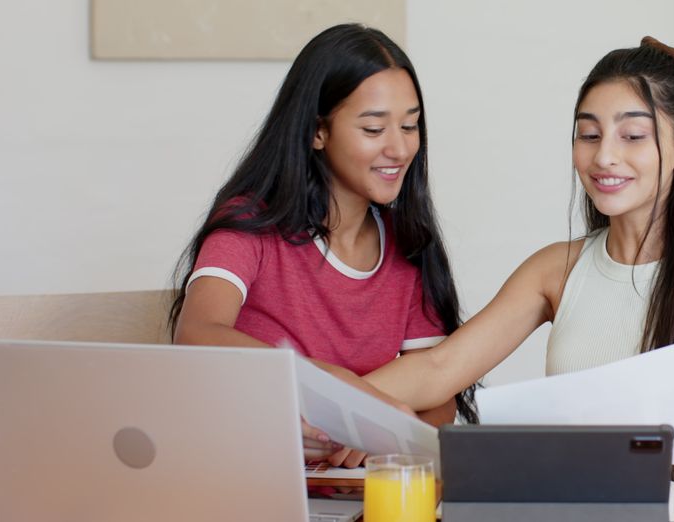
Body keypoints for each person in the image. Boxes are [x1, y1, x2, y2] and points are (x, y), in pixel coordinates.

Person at [360, 37, 674, 520]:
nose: (603, 158)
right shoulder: (556, 269)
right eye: (589, 135)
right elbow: (438, 369)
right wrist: (325, 403)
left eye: (632, 136)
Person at [170, 23, 475, 469]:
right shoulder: (253, 223)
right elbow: (197, 333)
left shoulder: (409, 246)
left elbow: (438, 399)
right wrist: (331, 387)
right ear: (318, 132)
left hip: (352, 490)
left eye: (410, 126)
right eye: (374, 129)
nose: (400, 147)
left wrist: (374, 433)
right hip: (245, 472)